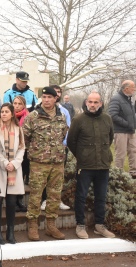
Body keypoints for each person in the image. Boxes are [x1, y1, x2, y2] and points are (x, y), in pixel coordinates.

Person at [67, 91, 116, 239]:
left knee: (101, 196)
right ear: (86, 102)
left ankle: (99, 226)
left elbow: (110, 138)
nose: (93, 105)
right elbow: (71, 142)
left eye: (96, 102)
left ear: (101, 103)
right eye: (90, 102)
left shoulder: (107, 119)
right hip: (85, 166)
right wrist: (82, 156)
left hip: (103, 165)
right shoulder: (78, 119)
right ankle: (80, 225)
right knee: (81, 196)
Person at [23, 86, 68, 241]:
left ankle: (51, 225)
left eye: (50, 97)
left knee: (54, 195)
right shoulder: (32, 117)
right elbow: (25, 139)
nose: (47, 100)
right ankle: (33, 225)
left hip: (57, 163)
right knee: (35, 195)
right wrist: (37, 152)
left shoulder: (61, 116)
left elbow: (62, 136)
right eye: (44, 97)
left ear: (56, 98)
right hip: (38, 163)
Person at [0, 103, 25, 244]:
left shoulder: (18, 128)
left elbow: (22, 148)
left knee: (11, 201)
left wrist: (14, 163)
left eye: (6, 112)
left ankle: (10, 232)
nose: (3, 114)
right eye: (2, 111)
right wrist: (4, 162)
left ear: (12, 114)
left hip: (14, 169)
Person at [40, 85, 71, 211]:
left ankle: (57, 200)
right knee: (44, 178)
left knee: (58, 178)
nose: (57, 95)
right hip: (43, 152)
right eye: (55, 92)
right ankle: (44, 200)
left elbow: (68, 129)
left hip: (60, 150)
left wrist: (64, 144)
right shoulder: (37, 112)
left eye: (59, 92)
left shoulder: (64, 112)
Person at [108, 80, 136, 178]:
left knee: (133, 151)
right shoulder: (116, 99)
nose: (134, 89)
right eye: (133, 87)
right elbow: (112, 115)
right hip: (120, 132)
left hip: (131, 131)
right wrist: (127, 124)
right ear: (126, 88)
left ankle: (133, 173)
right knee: (121, 154)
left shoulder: (129, 99)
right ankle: (118, 175)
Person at [12, 96, 29, 212]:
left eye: (19, 104)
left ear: (24, 105)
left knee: (21, 177)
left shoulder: (28, 117)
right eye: (15, 103)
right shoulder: (8, 116)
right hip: (11, 151)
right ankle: (12, 202)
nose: (17, 106)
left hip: (24, 151)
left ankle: (19, 200)